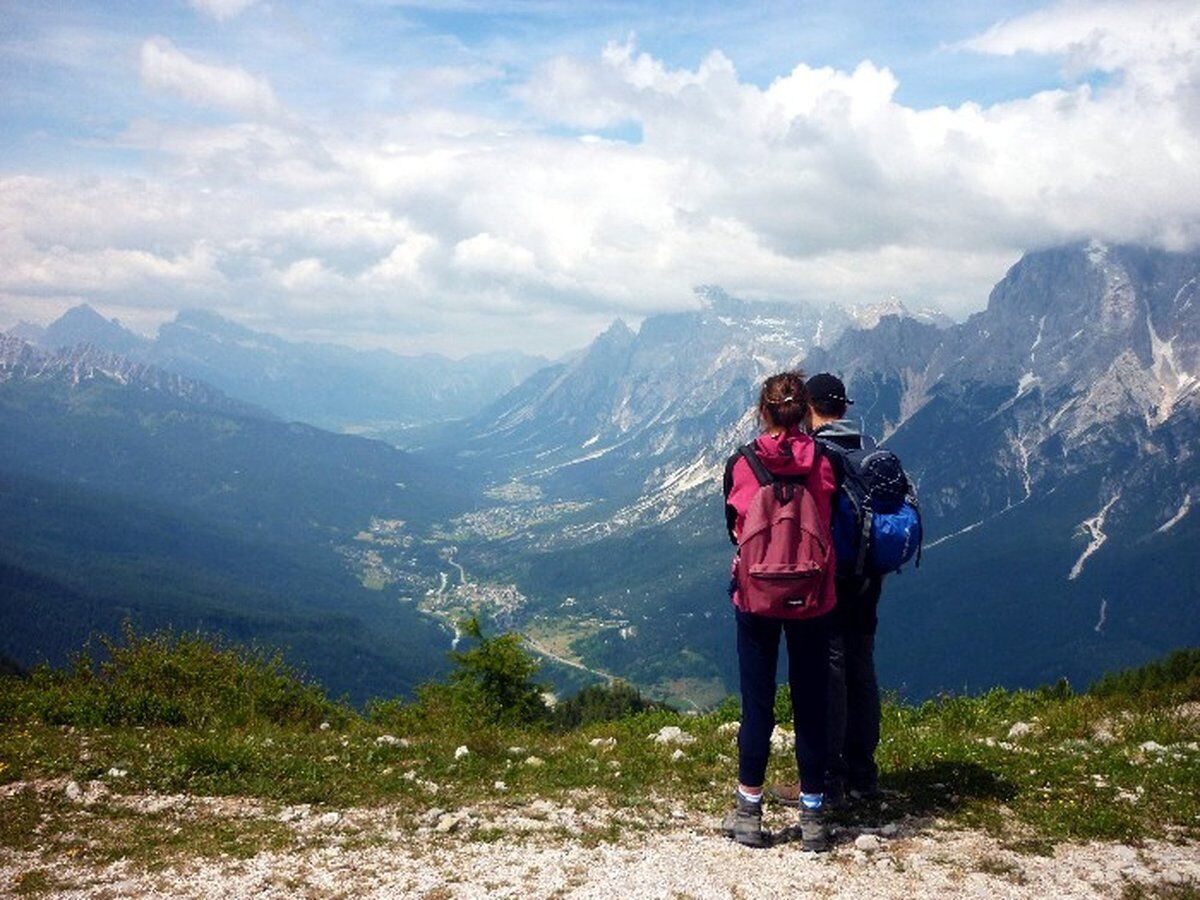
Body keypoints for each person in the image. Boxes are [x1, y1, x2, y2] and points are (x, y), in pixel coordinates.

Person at [720, 371, 839, 851]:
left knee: (757, 702)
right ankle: (812, 817)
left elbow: (734, 529)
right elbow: (831, 520)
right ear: (806, 411)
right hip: (813, 597)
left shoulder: (742, 463)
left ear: (761, 412)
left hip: (755, 597)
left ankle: (749, 811)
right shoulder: (825, 461)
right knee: (811, 702)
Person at [770, 372, 885, 808]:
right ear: (845, 407)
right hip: (871, 577)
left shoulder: (819, 453)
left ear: (810, 407)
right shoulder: (871, 447)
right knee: (862, 668)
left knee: (828, 674)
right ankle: (864, 774)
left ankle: (827, 780)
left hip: (830, 578)